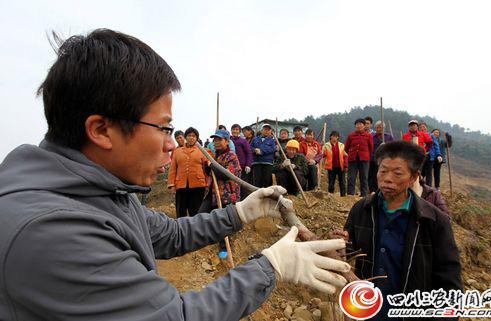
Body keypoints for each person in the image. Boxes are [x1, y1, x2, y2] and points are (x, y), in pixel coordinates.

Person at [0, 29, 352, 321]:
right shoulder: (52, 231)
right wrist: (270, 267)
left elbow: (167, 234)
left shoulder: (101, 190)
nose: (172, 144)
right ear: (101, 130)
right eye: (164, 128)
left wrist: (240, 212)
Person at [343, 141, 462, 319]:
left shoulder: (434, 221)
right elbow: (350, 253)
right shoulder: (361, 210)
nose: (387, 178)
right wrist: (341, 245)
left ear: (414, 177)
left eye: (397, 173)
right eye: (383, 171)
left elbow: (449, 280)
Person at [198, 129, 241, 258]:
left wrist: (213, 166)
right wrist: (207, 168)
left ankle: (224, 247)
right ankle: (201, 242)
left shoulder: (231, 156)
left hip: (226, 194)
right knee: (201, 215)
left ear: (227, 141)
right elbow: (210, 173)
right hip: (211, 192)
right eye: (214, 140)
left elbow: (227, 174)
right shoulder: (214, 155)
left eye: (219, 140)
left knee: (223, 220)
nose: (216, 142)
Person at [167, 127, 207, 218]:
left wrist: (207, 184)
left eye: (193, 136)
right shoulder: (177, 152)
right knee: (181, 212)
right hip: (181, 186)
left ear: (196, 138)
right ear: (186, 137)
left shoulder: (202, 151)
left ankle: (197, 230)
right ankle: (181, 231)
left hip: (198, 186)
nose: (191, 138)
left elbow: (206, 169)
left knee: (196, 211)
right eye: (189, 135)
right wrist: (172, 185)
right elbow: (172, 169)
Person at [345, 118, 374, 196]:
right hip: (352, 159)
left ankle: (363, 194)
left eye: (361, 124)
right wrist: (351, 153)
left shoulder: (368, 136)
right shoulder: (351, 136)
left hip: (364, 159)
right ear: (355, 126)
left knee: (364, 177)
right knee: (351, 177)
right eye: (357, 124)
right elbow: (346, 148)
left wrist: (365, 154)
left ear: (364, 126)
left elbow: (371, 148)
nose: (359, 126)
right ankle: (350, 194)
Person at [368, 121, 394, 193]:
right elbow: (370, 148)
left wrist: (385, 146)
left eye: (380, 127)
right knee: (373, 176)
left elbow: (392, 148)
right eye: (377, 127)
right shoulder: (372, 137)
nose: (379, 129)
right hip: (374, 160)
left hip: (385, 159)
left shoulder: (388, 137)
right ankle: (373, 190)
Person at [230, 124, 253, 199]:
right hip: (231, 166)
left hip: (242, 166)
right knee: (232, 185)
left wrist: (248, 165)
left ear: (239, 131)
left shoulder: (243, 141)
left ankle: (244, 201)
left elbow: (249, 153)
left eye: (237, 129)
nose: (235, 131)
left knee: (243, 185)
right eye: (233, 129)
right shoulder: (228, 141)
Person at [322, 131, 348, 196]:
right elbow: (322, 154)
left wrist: (345, 165)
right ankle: (330, 195)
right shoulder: (326, 145)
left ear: (338, 137)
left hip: (340, 166)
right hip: (331, 167)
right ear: (330, 136)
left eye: (336, 136)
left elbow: (345, 155)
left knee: (342, 182)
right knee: (331, 182)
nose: (334, 138)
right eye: (333, 136)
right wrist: (321, 146)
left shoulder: (341, 145)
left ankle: (343, 195)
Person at [418, 122, 441, 187]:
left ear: (426, 128)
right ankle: (419, 186)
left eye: (424, 127)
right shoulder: (417, 136)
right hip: (420, 157)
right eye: (421, 127)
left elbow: (436, 145)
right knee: (420, 172)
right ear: (418, 129)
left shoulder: (431, 135)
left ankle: (429, 188)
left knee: (429, 173)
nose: (423, 128)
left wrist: (439, 154)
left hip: (430, 157)